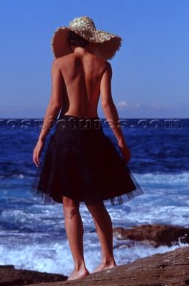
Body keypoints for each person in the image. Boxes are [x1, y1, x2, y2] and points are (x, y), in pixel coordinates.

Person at [33, 16, 142, 281]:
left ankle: (79, 267)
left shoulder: (60, 63)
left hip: (67, 133)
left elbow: (55, 104)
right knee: (95, 201)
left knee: (70, 204)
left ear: (71, 40)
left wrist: (41, 138)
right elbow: (107, 105)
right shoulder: (103, 65)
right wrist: (120, 139)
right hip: (93, 134)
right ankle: (109, 260)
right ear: (92, 40)